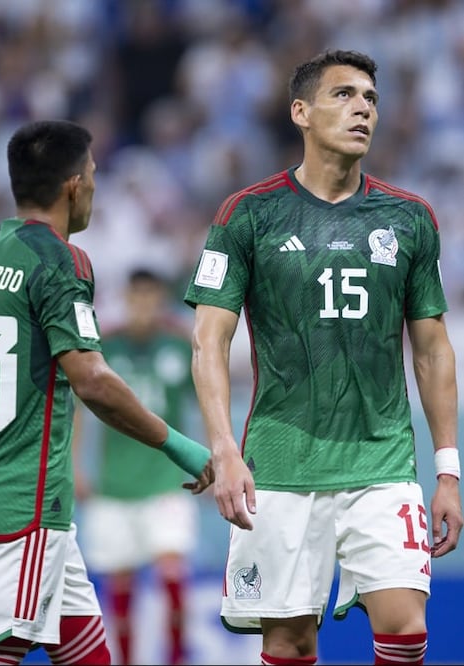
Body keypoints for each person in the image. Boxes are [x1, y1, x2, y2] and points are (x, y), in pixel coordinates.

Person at [183, 49, 462, 666]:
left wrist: (447, 469)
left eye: (371, 98)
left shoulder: (409, 217)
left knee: (408, 629)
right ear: (300, 112)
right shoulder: (247, 214)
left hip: (382, 459)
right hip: (281, 464)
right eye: (344, 95)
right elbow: (208, 339)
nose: (363, 106)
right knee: (289, 643)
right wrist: (225, 449)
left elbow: (433, 350)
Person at [0, 119, 212, 666]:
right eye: (95, 175)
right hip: (24, 504)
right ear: (75, 185)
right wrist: (182, 446)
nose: (96, 188)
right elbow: (94, 381)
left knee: (88, 654)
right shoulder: (61, 260)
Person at [74, 267, 199, 665]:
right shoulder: (105, 346)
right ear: (127, 300)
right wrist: (75, 466)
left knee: (172, 574)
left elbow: (205, 401)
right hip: (115, 485)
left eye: (150, 298)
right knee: (120, 588)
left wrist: (216, 456)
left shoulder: (179, 346)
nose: (143, 307)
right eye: (136, 299)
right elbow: (78, 410)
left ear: (159, 300)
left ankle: (177, 657)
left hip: (166, 482)